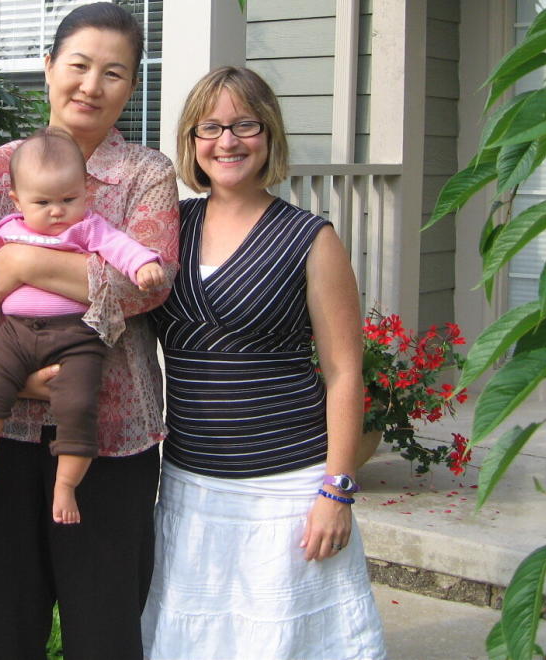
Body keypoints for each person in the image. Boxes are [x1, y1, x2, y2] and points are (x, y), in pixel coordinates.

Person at [0, 2, 179, 660]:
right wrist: (19, 377)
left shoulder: (146, 175)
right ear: (48, 69)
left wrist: (24, 262)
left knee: (105, 630)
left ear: (131, 86)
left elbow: (146, 284)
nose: (91, 85)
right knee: (7, 625)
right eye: (78, 65)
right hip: (4, 436)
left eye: (114, 72)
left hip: (113, 438)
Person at [141, 66, 387, 660]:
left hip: (288, 488)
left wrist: (338, 488)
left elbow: (344, 372)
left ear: (269, 134)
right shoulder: (168, 225)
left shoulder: (310, 238)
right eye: (211, 127)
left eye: (244, 125)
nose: (228, 141)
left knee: (284, 641)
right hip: (192, 482)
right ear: (192, 141)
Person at [0, 127, 166, 525]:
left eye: (69, 199)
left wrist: (143, 264)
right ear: (16, 201)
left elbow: (121, 247)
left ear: (85, 192)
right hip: (14, 335)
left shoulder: (87, 227)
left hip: (77, 334)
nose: (57, 211)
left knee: (79, 404)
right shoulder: (6, 230)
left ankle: (66, 485)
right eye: (43, 202)